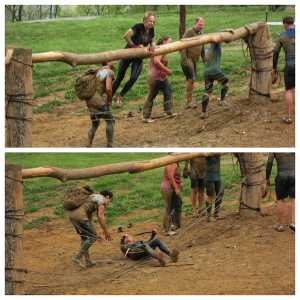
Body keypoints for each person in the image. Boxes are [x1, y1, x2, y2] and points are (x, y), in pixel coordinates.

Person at [112, 12, 156, 106]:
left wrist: (152, 46)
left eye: (153, 21)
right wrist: (134, 46)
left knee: (134, 77)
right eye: (150, 21)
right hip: (128, 53)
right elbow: (126, 36)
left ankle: (120, 95)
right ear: (145, 20)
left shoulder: (151, 30)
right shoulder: (138, 27)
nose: (151, 23)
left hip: (139, 57)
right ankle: (109, 97)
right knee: (120, 77)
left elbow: (153, 41)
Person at [69, 190, 114, 268]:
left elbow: (90, 220)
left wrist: (96, 234)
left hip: (73, 216)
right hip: (80, 217)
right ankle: (77, 257)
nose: (108, 203)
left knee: (85, 238)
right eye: (110, 200)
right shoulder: (102, 199)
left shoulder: (92, 199)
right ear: (107, 197)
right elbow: (100, 216)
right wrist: (106, 231)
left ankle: (88, 261)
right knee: (92, 237)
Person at [142, 35, 178, 123]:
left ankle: (168, 112)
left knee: (169, 91)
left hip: (161, 77)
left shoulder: (163, 50)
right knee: (151, 95)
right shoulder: (160, 49)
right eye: (169, 42)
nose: (171, 43)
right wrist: (167, 70)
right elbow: (156, 61)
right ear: (164, 42)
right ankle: (146, 117)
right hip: (154, 77)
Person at [200, 29, 234, 119]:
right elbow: (217, 33)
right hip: (215, 71)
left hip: (206, 72)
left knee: (207, 92)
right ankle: (222, 100)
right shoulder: (215, 44)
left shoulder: (207, 50)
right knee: (226, 81)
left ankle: (203, 112)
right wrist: (227, 30)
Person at [85, 60, 117, 148]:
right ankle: (110, 146)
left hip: (89, 100)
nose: (116, 62)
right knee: (110, 120)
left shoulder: (98, 70)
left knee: (95, 123)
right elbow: (108, 89)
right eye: (113, 60)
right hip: (98, 100)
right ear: (107, 62)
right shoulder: (109, 72)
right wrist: (109, 100)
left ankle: (88, 146)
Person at [273, 16, 295, 124]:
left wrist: (274, 67)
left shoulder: (282, 36)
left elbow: (275, 53)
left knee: (289, 90)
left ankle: (288, 116)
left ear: (285, 24)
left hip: (290, 65)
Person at [265, 153, 295, 232]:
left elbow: (269, 163)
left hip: (281, 175)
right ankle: (294, 222)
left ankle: (280, 225)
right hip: (294, 174)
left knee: (280, 200)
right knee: (295, 198)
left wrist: (267, 178)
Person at [181, 17, 205, 109]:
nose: (201, 26)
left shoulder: (201, 34)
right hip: (188, 59)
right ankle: (188, 101)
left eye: (202, 25)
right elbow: (182, 44)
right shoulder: (189, 32)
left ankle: (190, 99)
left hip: (196, 60)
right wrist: (184, 58)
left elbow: (202, 48)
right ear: (195, 24)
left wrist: (204, 59)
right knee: (191, 79)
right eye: (199, 24)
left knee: (191, 80)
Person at [160, 154, 183, 235]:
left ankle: (175, 224)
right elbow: (170, 176)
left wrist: (180, 184)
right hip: (168, 189)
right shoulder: (171, 162)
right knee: (168, 209)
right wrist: (176, 189)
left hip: (172, 188)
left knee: (178, 203)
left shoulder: (175, 162)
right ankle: (166, 230)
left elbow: (176, 176)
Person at [204, 155, 225, 222]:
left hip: (217, 177)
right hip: (209, 177)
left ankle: (216, 213)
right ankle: (209, 216)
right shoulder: (207, 152)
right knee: (210, 196)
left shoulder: (218, 150)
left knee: (220, 194)